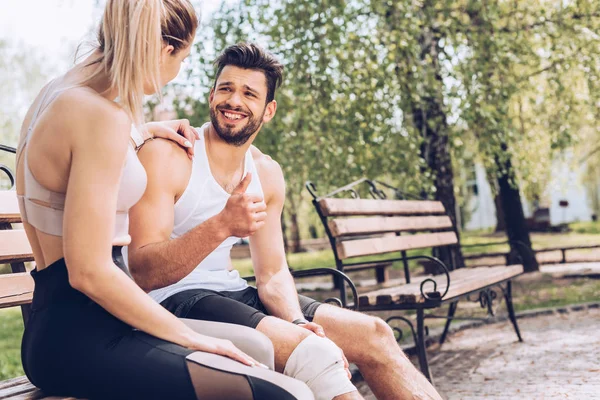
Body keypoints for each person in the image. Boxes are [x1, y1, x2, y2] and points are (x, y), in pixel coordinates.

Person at [16, 1, 313, 399]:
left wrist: (140, 132)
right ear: (163, 49)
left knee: (256, 357)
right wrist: (191, 337)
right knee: (283, 394)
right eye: (183, 57)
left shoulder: (61, 93)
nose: (178, 72)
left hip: (60, 325)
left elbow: (70, 163)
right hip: (85, 335)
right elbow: (88, 273)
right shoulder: (100, 117)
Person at [127, 42, 444, 400]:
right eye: (226, 89)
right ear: (211, 94)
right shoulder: (170, 156)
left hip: (233, 292)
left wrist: (297, 321)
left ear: (268, 110)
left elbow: (273, 273)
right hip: (176, 299)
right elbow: (143, 273)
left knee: (375, 334)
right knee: (317, 357)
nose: (234, 101)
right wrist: (221, 226)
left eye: (249, 93)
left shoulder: (267, 173)